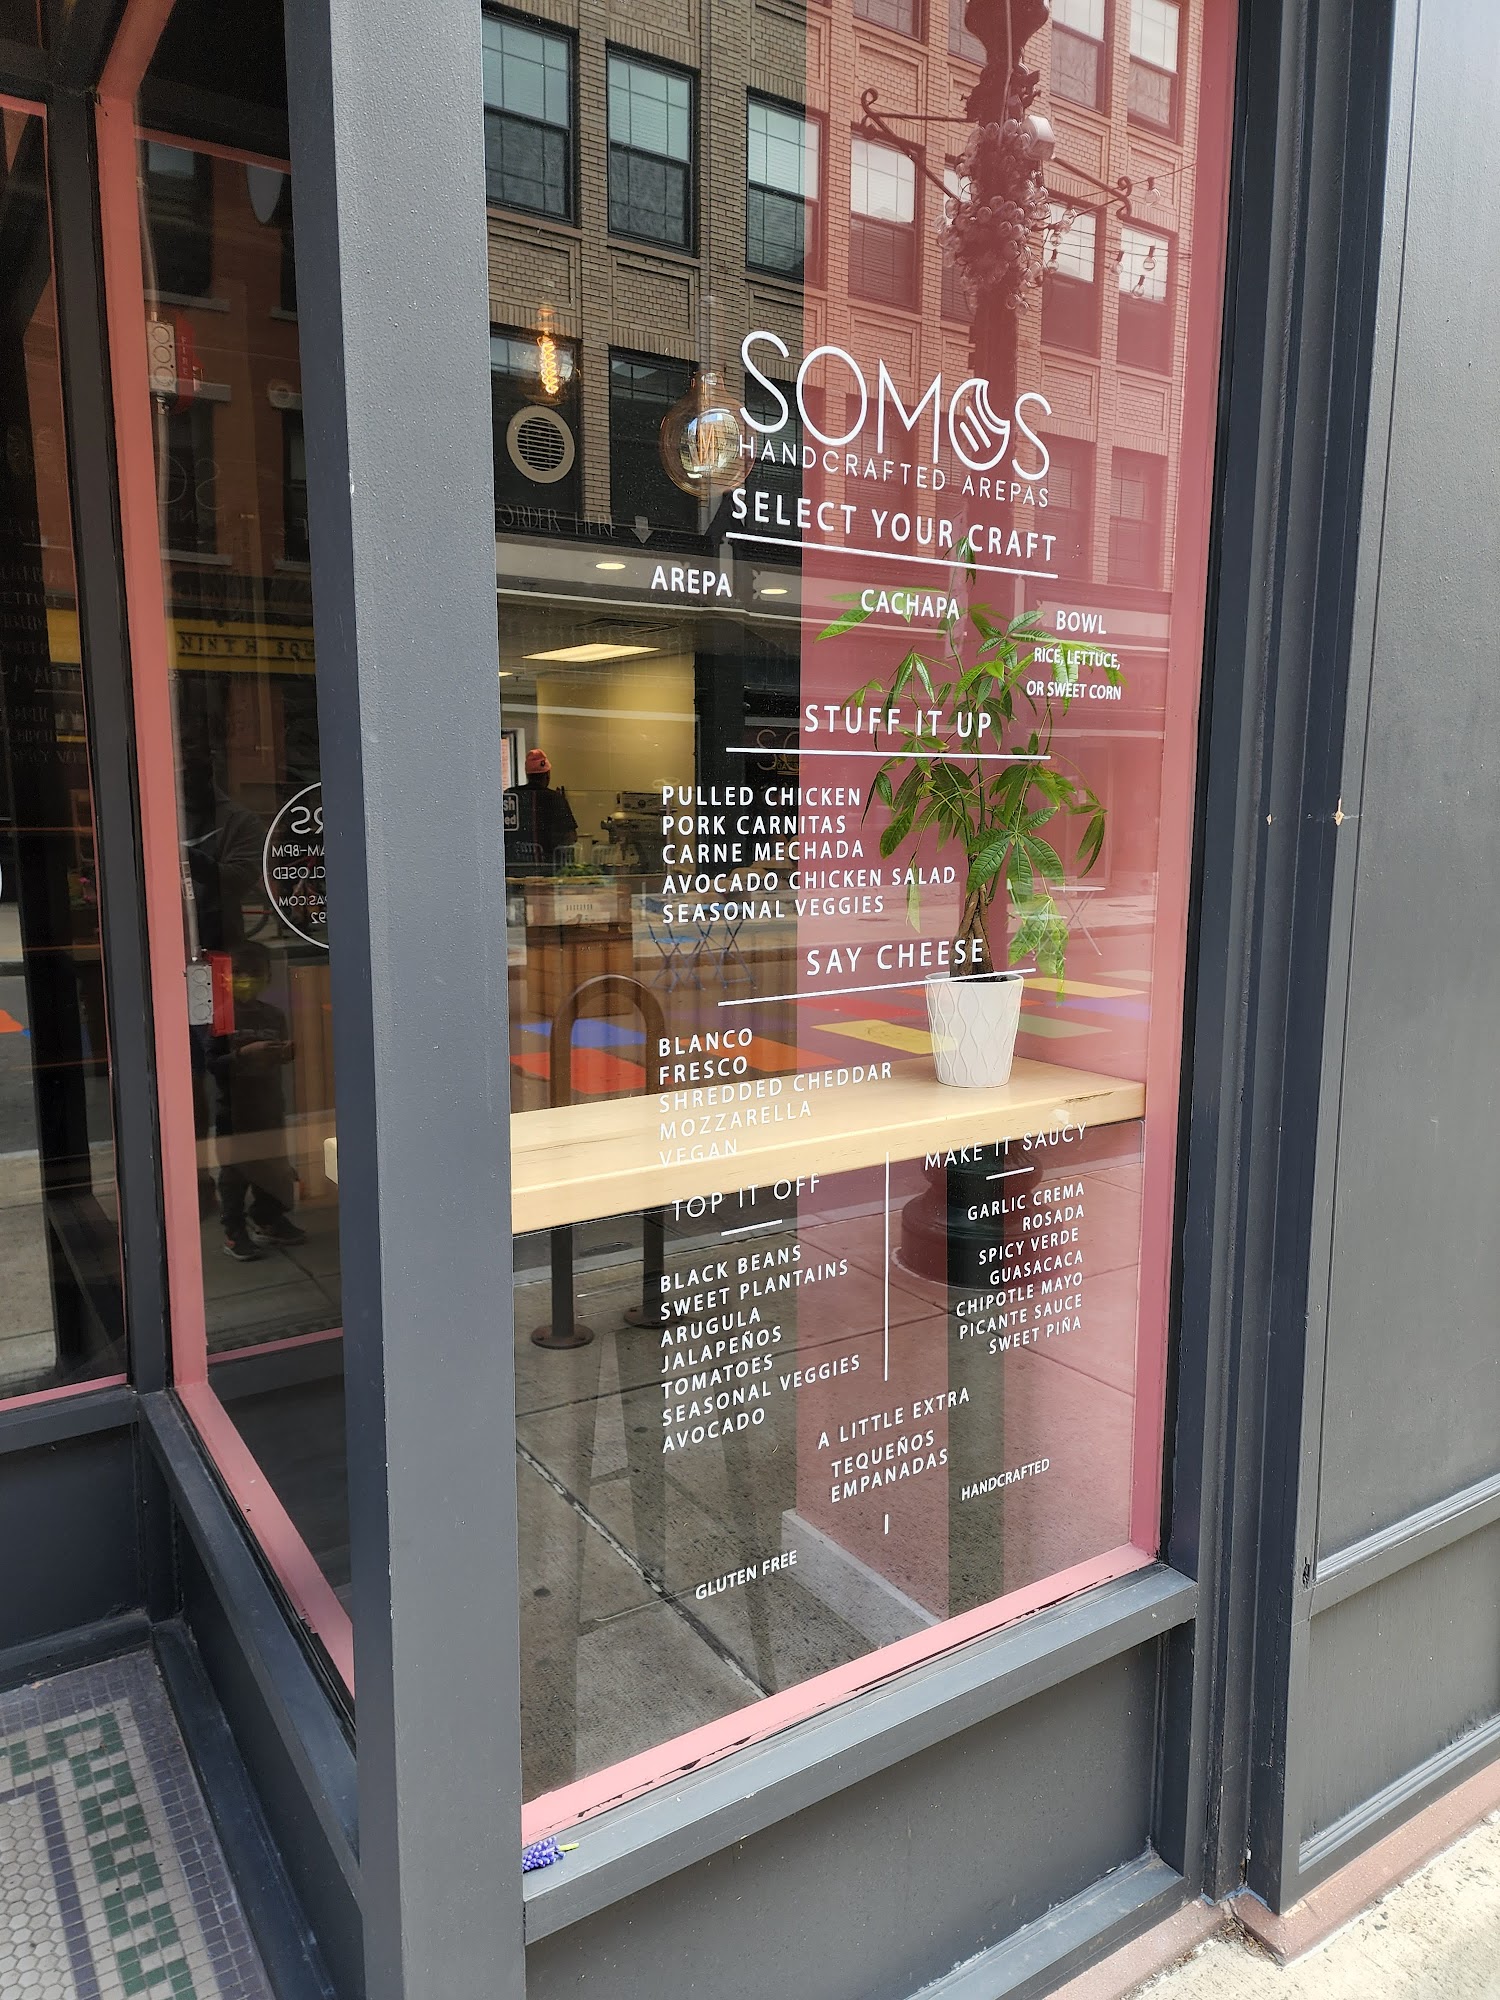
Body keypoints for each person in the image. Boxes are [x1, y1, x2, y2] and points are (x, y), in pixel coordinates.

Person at [209, 941, 305, 1261]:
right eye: (238, 972)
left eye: (255, 973)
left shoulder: (273, 1015)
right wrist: (243, 1055)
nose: (246, 979)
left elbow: (284, 1056)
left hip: (269, 1104)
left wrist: (285, 1052)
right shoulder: (220, 1017)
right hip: (234, 1108)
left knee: (274, 1166)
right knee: (234, 1173)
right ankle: (234, 1231)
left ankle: (267, 1216)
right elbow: (212, 1064)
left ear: (267, 977)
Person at [507, 747, 577, 867]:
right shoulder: (556, 798)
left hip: (515, 868)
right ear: (547, 775)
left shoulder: (511, 795)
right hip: (549, 868)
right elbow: (571, 837)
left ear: (527, 774)